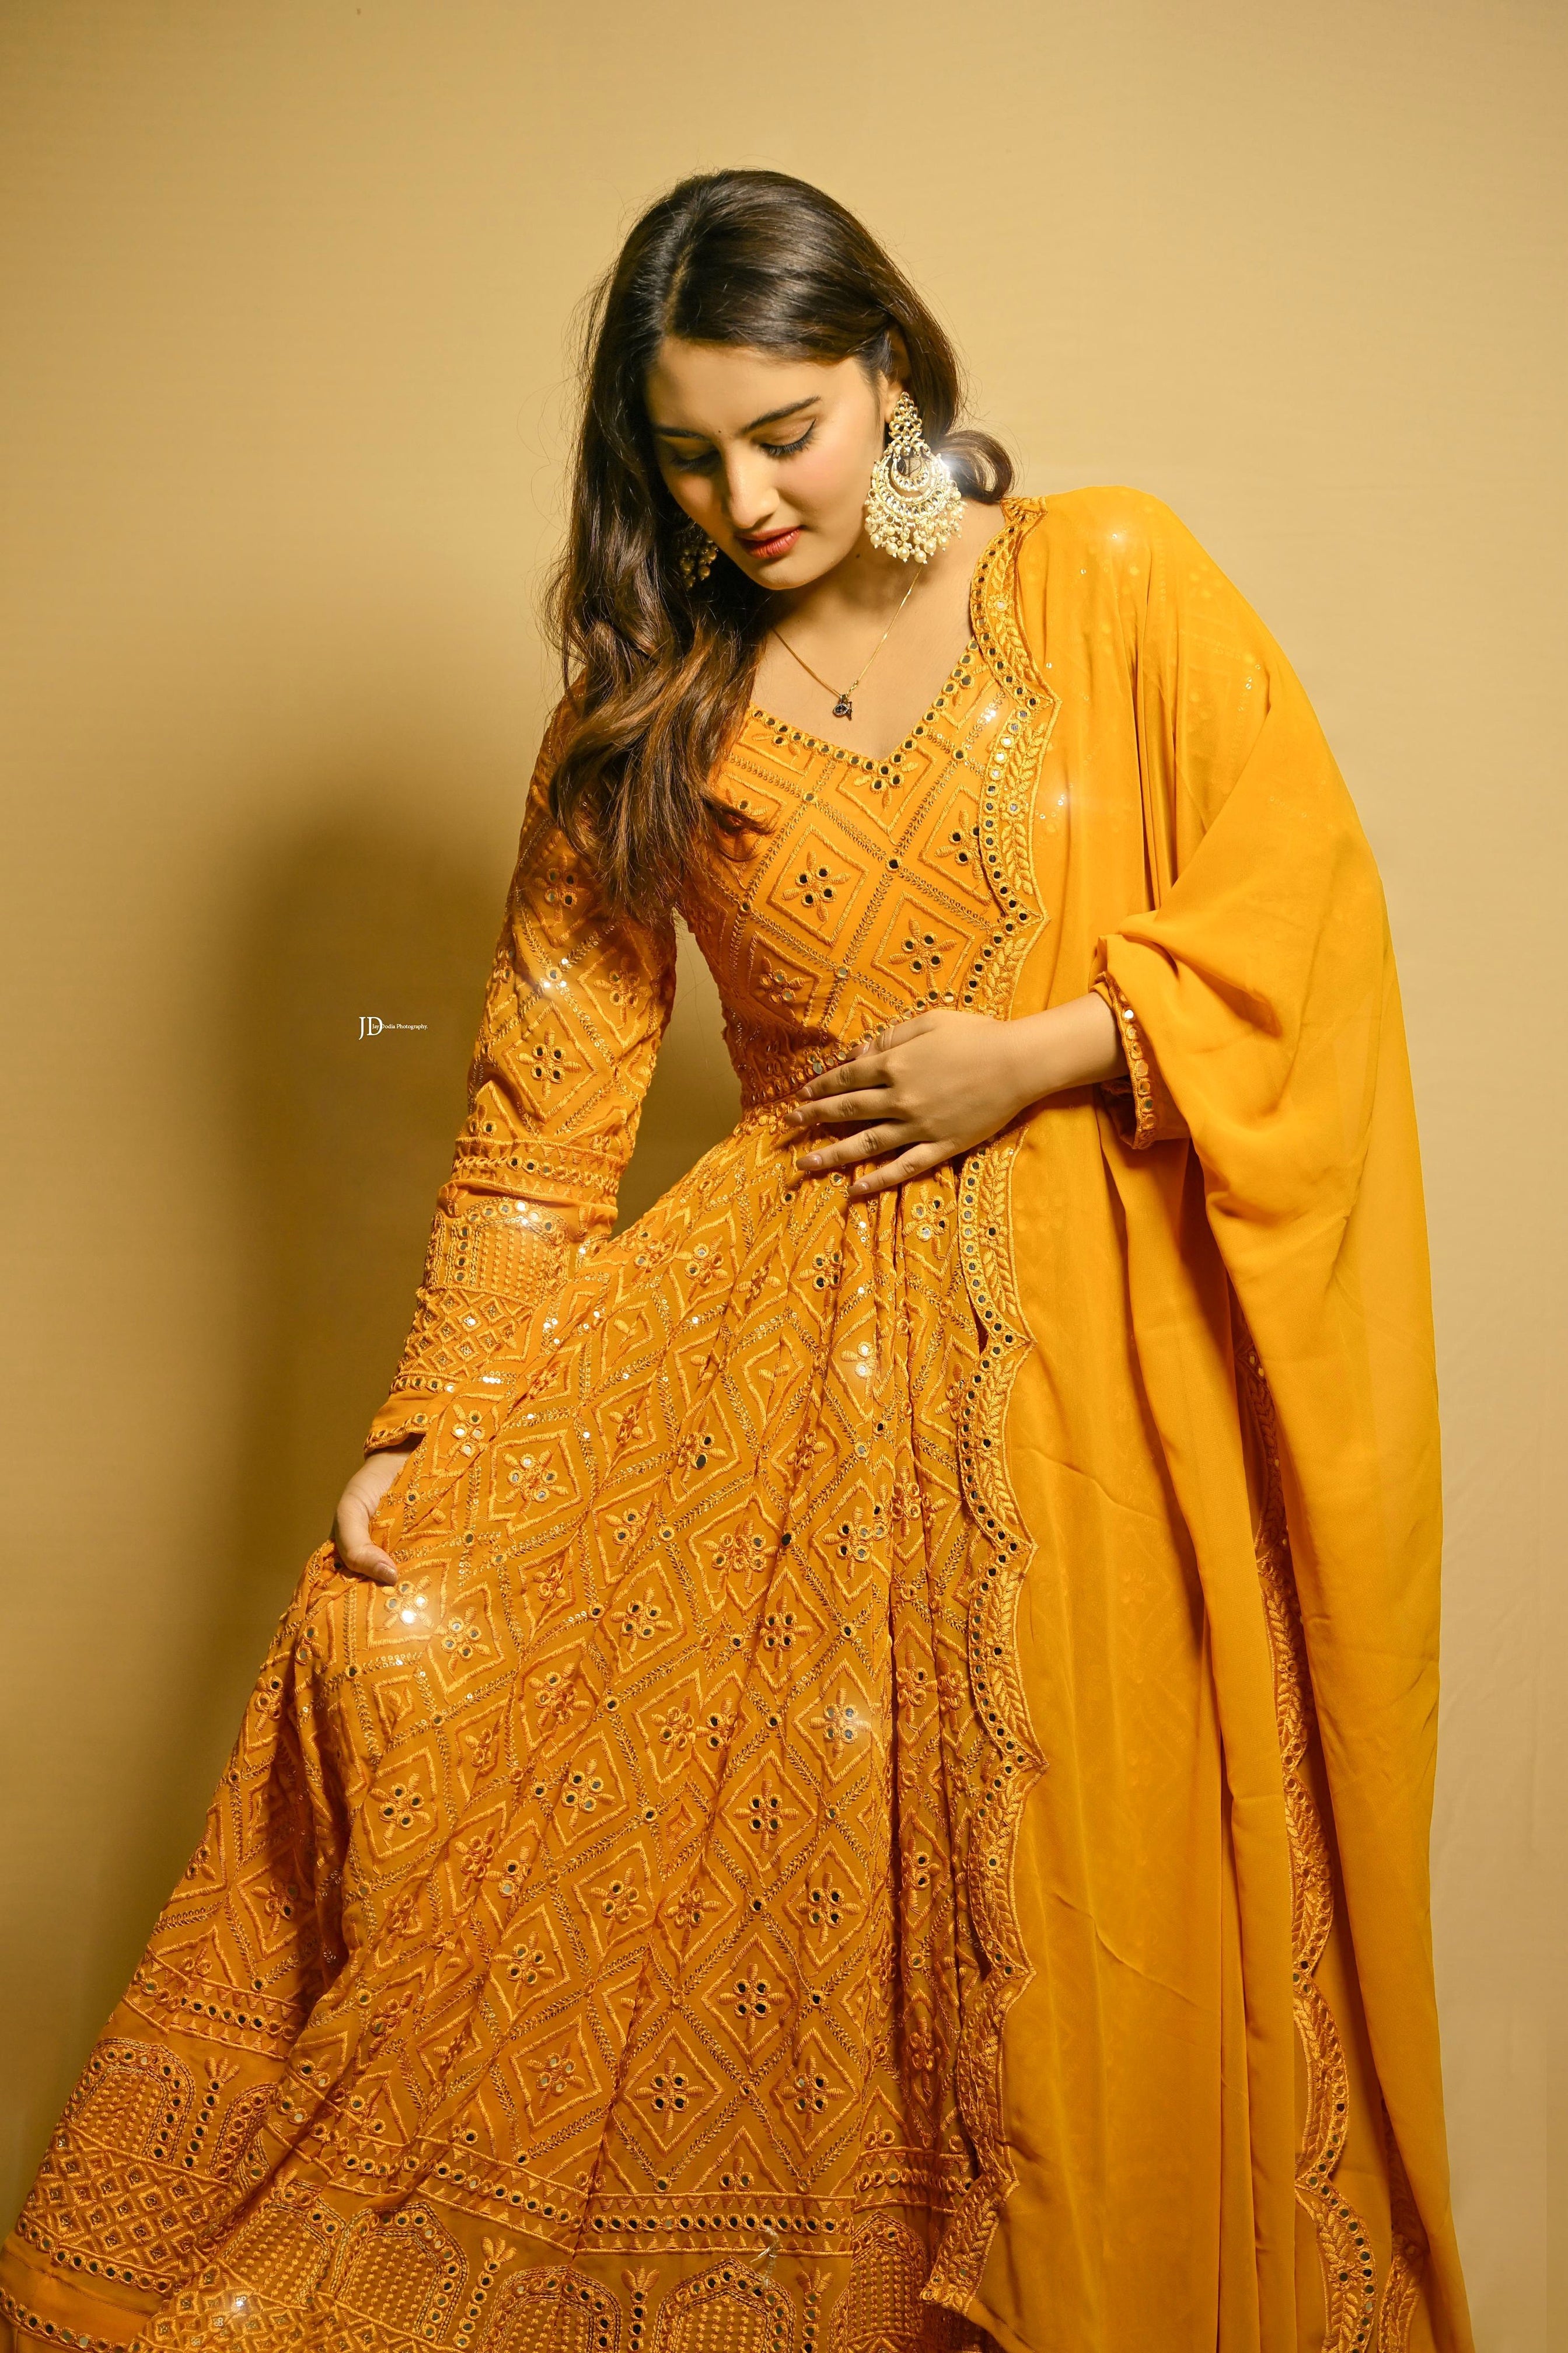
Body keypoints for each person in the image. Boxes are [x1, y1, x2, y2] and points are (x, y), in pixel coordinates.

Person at [0, 169, 1472, 2353]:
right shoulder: (655, 709)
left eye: (783, 428)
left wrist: (1042, 1051)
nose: (746, 494)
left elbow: (1305, 931)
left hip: (1109, 1396)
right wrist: (436, 1428)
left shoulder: (1106, 578)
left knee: (1087, 1957)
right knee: (549, 1789)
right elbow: (536, 1121)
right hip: (770, 1395)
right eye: (684, 455)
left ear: (887, 367)